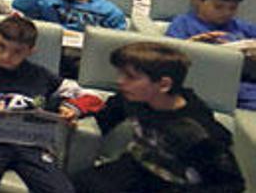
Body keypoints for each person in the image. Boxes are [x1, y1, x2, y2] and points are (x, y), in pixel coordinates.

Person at [0, 16, 102, 193]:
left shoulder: (41, 75)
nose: (7, 56)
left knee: (61, 190)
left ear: (30, 51)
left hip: (30, 144)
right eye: (2, 47)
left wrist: (72, 108)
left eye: (17, 52)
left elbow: (94, 97)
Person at [70, 43, 245, 192]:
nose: (120, 81)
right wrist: (76, 113)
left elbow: (231, 184)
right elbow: (108, 115)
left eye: (130, 77)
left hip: (173, 185)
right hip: (137, 166)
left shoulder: (196, 129)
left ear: (163, 85)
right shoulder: (134, 97)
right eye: (120, 74)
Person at [165, 0, 256, 110]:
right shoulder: (183, 23)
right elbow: (168, 58)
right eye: (218, 7)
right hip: (212, 84)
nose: (226, 13)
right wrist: (191, 45)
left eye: (233, 8)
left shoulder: (239, 26)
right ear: (197, 0)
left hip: (245, 81)